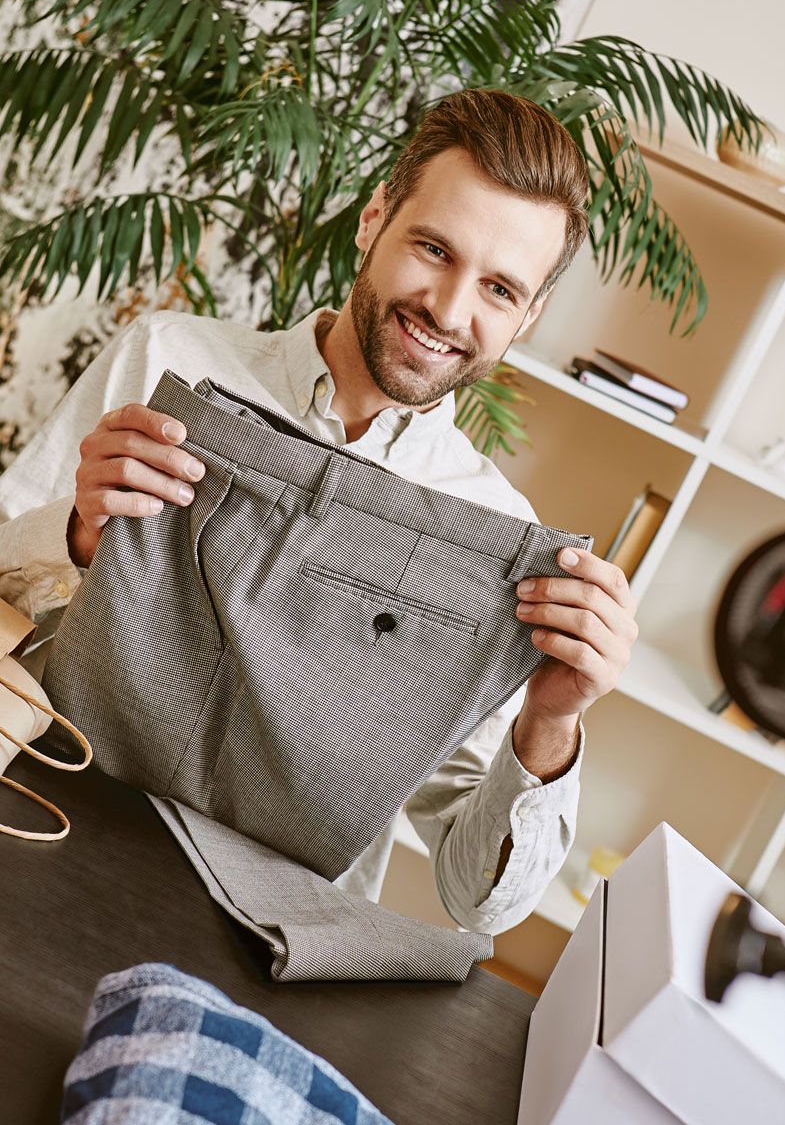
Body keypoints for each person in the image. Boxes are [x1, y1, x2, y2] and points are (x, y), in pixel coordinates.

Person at [0, 88, 639, 934]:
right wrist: (80, 534)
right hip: (39, 819)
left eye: (498, 288)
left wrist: (552, 722)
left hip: (262, 940)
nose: (449, 310)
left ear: (530, 315)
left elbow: (480, 904)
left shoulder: (498, 537)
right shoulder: (166, 359)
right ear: (375, 218)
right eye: (434, 248)